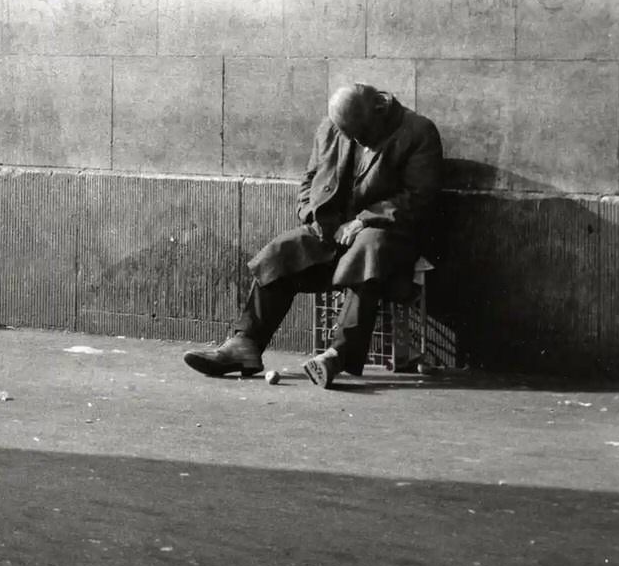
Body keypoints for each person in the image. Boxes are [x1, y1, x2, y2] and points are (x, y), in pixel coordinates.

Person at [183, 84, 443, 388]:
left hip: (388, 236)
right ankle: (246, 344)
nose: (356, 140)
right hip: (333, 233)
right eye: (349, 134)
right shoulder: (332, 127)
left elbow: (419, 196)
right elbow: (309, 179)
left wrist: (362, 221)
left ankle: (338, 354)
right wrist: (309, 213)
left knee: (369, 250)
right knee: (282, 251)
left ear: (379, 108)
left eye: (361, 134)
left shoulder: (418, 131)